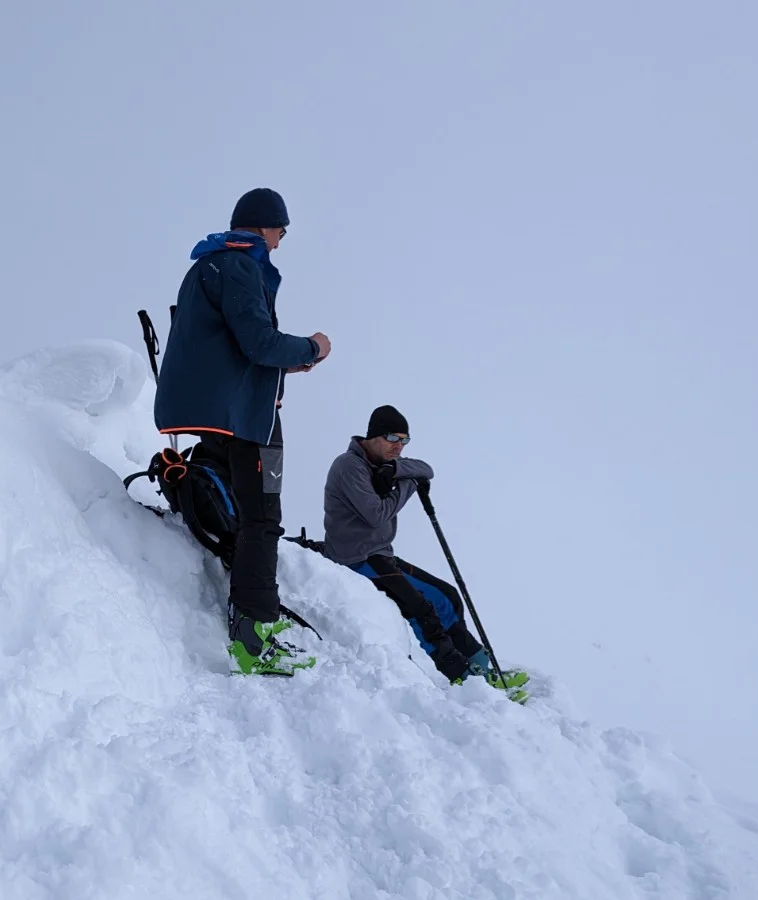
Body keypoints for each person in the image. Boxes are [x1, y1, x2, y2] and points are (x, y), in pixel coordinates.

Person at [153, 187, 331, 676]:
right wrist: (311, 348)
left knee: (248, 513)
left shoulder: (209, 266)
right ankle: (254, 635)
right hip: (244, 420)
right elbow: (257, 342)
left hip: (216, 412)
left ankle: (251, 617)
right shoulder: (240, 266)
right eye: (281, 231)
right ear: (264, 225)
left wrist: (284, 366)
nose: (280, 242)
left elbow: (228, 347)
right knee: (261, 519)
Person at [320, 404, 530, 701]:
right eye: (393, 438)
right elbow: (377, 515)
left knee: (446, 596)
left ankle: (482, 666)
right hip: (355, 557)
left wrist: (396, 471)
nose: (399, 447)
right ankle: (461, 676)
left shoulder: (382, 463)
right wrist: (406, 485)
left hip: (379, 553)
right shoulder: (349, 466)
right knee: (420, 608)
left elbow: (425, 469)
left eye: (404, 440)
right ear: (374, 436)